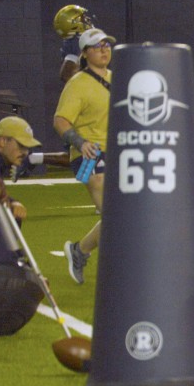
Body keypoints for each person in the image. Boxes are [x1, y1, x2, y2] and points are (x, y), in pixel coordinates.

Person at [58, 27, 115, 285]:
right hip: (87, 157)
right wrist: (80, 143)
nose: (104, 49)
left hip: (117, 154)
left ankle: (79, 250)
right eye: (96, 46)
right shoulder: (77, 84)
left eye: (106, 44)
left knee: (122, 216)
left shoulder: (118, 79)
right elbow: (60, 120)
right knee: (116, 216)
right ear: (84, 53)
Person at [0, 116, 68, 225]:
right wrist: (11, 202)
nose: (25, 152)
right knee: (11, 216)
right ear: (3, 141)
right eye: (21, 146)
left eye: (27, 147)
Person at [53, 4, 94, 83]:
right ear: (74, 23)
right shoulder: (76, 42)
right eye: (83, 18)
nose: (87, 19)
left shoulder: (75, 40)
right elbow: (66, 75)